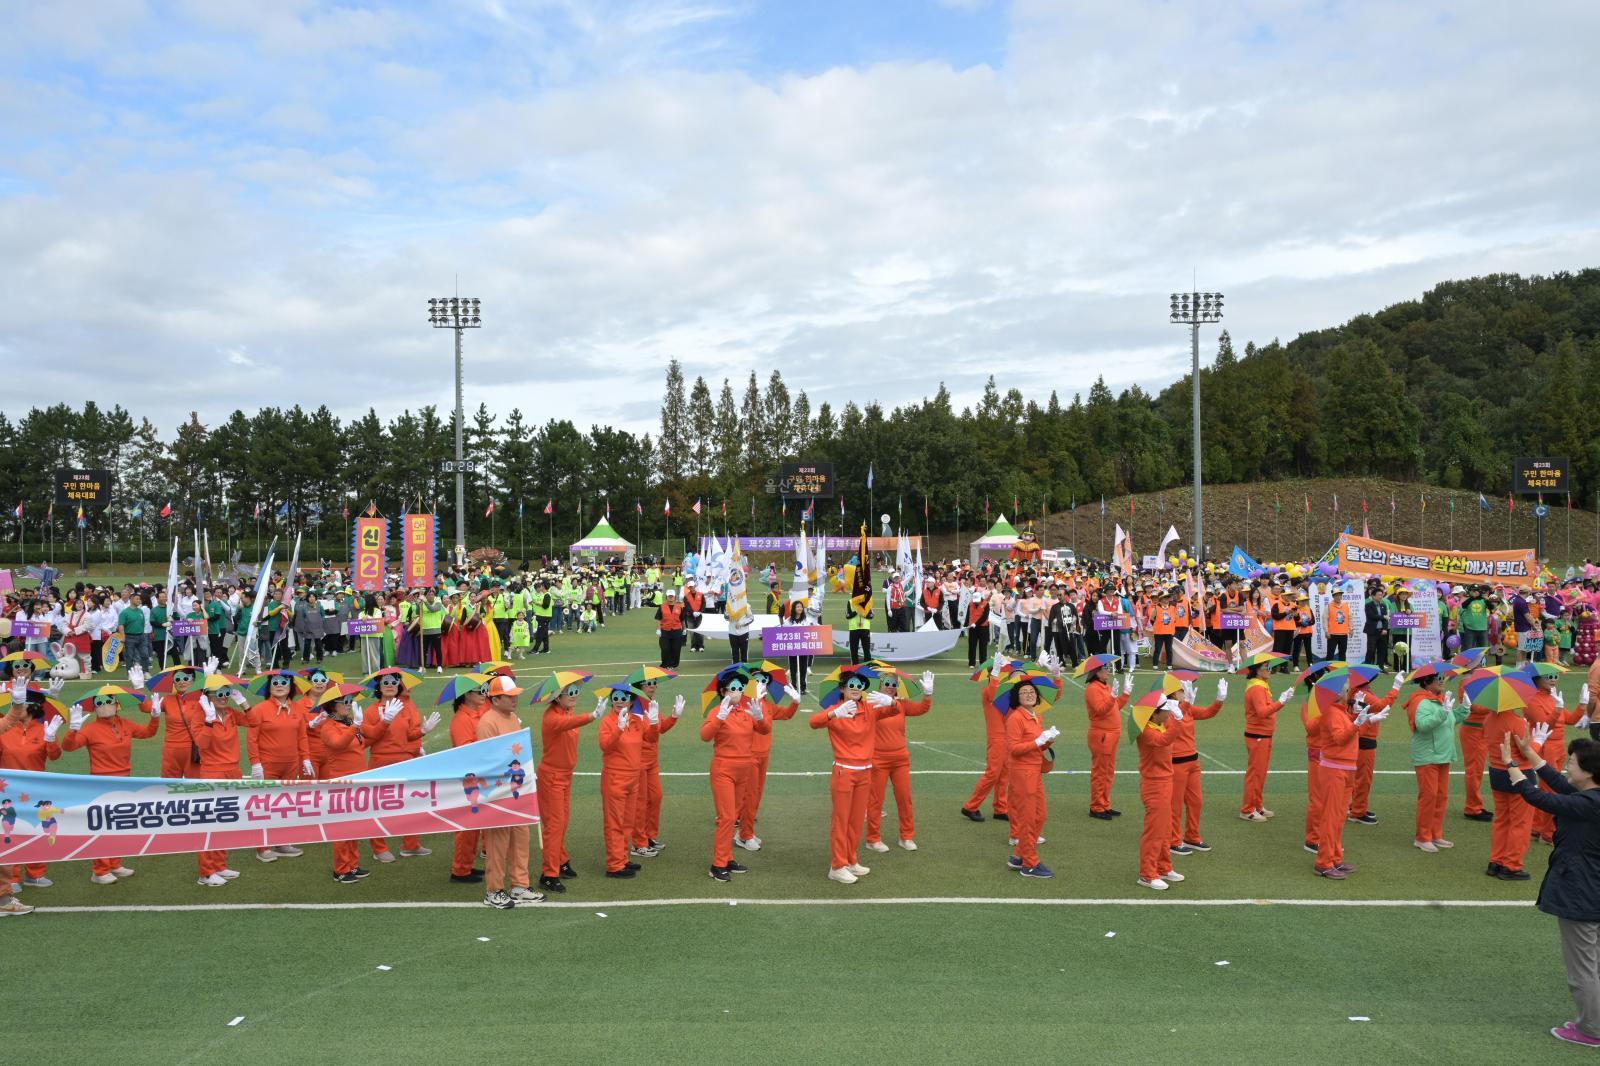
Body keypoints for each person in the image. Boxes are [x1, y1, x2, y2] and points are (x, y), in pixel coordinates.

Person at [1505, 729, 1600, 1047]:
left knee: (1582, 968)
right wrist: (1529, 754)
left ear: (1588, 772)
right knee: (1593, 962)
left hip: (1582, 893)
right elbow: (1560, 786)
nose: (1567, 767)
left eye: (1571, 762)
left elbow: (1539, 797)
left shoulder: (1588, 805)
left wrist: (1510, 764)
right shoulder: (1590, 796)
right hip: (1591, 890)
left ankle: (1591, 1030)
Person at [810, 666, 901, 884]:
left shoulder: (869, 709)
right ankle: (837, 865)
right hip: (844, 771)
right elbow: (813, 722)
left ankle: (850, 859)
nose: (856, 689)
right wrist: (833, 713)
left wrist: (893, 702)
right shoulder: (836, 710)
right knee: (841, 821)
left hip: (864, 772)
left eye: (859, 686)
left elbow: (894, 711)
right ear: (842, 689)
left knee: (856, 820)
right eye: (851, 685)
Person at [61, 686, 159, 884]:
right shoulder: (90, 729)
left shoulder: (125, 724)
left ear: (117, 704)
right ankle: (99, 870)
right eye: (99, 703)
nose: (104, 706)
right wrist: (73, 730)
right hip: (101, 783)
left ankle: (114, 863)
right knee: (103, 827)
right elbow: (68, 747)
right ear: (94, 708)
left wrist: (155, 716)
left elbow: (148, 732)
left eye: (108, 701)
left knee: (117, 825)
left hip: (124, 780)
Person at [476, 675, 543, 908]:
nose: (515, 699)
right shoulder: (487, 722)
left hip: (516, 789)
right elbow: (488, 760)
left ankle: (519, 885)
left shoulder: (512, 717)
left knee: (521, 837)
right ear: (495, 699)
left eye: (515, 695)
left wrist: (526, 772)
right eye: (510, 696)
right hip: (499, 792)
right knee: (498, 843)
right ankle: (494, 890)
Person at [535, 676, 603, 894]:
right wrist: (591, 716)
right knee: (554, 826)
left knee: (561, 823)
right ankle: (549, 874)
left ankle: (560, 860)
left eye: (576, 692)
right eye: (570, 693)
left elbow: (570, 721)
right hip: (552, 777)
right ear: (558, 698)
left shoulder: (566, 712)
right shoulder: (552, 717)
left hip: (565, 776)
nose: (575, 696)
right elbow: (567, 724)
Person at [362, 671, 439, 862]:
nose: (390, 685)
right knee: (378, 806)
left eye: (394, 682)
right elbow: (368, 739)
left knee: (411, 802)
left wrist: (423, 730)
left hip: (404, 760)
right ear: (378, 686)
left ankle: (411, 845)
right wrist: (383, 721)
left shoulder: (404, 707)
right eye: (385, 682)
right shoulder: (372, 710)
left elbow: (409, 735)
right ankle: (379, 849)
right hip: (380, 761)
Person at [701, 668, 768, 881]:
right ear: (723, 691)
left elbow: (764, 731)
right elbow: (705, 736)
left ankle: (727, 858)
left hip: (744, 769)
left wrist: (760, 718)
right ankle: (717, 864)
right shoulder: (716, 712)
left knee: (735, 813)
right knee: (727, 817)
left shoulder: (746, 711)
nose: (737, 693)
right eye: (733, 689)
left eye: (740, 689)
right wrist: (719, 718)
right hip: (724, 769)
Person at [245, 671, 313, 864]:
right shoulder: (260, 709)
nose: (279, 685)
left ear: (290, 687)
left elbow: (302, 736)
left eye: (284, 682)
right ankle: (263, 847)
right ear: (270, 686)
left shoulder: (297, 709)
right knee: (266, 806)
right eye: (275, 682)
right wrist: (255, 763)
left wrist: (306, 758)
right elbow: (252, 739)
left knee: (285, 805)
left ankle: (282, 842)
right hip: (268, 766)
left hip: (291, 765)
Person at [1, 682, 64, 892]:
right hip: (8, 792)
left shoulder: (44, 728)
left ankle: (35, 874)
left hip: (38, 792)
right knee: (10, 834)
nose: (16, 707)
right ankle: (12, 878)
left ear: (33, 706)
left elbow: (55, 757)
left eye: (21, 703)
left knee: (38, 832)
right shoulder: (4, 726)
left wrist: (51, 739)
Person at [864, 669, 935, 853]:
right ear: (880, 685)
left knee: (905, 799)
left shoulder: (901, 704)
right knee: (875, 801)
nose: (890, 687)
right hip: (878, 760)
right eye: (887, 683)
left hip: (900, 759)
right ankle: (872, 839)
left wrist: (927, 694)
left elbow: (922, 709)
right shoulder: (870, 704)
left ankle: (906, 836)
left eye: (893, 685)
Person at [310, 688, 373, 885]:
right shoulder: (329, 726)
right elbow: (338, 744)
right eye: (344, 701)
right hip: (341, 782)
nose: (349, 703)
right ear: (332, 705)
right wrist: (356, 725)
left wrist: (386, 721)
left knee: (354, 826)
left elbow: (366, 740)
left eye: (349, 700)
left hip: (356, 780)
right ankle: (341, 869)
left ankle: (352, 864)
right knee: (343, 827)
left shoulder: (347, 723)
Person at [193, 681, 252, 887]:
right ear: (207, 696)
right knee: (211, 822)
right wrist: (209, 722)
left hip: (233, 771)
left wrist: (243, 703)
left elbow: (253, 722)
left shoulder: (231, 713)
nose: (223, 696)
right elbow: (202, 744)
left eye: (226, 692)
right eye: (218, 693)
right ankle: (206, 872)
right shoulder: (200, 715)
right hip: (213, 771)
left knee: (226, 820)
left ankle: (219, 865)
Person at [1405, 668, 1469, 852]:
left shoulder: (1440, 700)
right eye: (1438, 678)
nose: (1442, 681)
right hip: (1427, 757)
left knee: (1441, 797)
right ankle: (1422, 837)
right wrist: (1443, 712)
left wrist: (1464, 709)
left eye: (1442, 678)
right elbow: (1423, 726)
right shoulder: (1421, 702)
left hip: (1443, 755)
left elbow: (1450, 720)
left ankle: (1435, 834)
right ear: (1426, 681)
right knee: (1429, 797)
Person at [736, 664, 798, 853]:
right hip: (749, 757)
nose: (762, 684)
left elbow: (786, 715)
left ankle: (746, 831)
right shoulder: (743, 705)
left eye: (765, 682)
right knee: (750, 797)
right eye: (758, 681)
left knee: (756, 796)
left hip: (764, 756)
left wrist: (795, 702)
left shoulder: (767, 705)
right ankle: (744, 835)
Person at [1003, 673, 1057, 878]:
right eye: (1024, 692)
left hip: (1034, 769)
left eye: (1031, 692)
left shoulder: (1036, 715)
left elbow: (1037, 744)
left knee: (1039, 815)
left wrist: (1048, 740)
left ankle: (1019, 856)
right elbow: (1014, 748)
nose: (1028, 695)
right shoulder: (1016, 717)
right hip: (1023, 772)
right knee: (1028, 818)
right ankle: (1030, 863)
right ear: (1017, 697)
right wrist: (1037, 742)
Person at [598, 684, 653, 878]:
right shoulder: (607, 722)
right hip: (615, 777)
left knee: (628, 821)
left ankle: (622, 857)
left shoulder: (636, 721)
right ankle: (614, 865)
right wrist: (618, 730)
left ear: (631, 702)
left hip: (633, 777)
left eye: (623, 699)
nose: (619, 702)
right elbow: (605, 746)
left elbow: (651, 738)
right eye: (616, 698)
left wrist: (653, 722)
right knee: (615, 822)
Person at [1135, 695, 1186, 891]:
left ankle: (1163, 867)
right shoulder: (1147, 731)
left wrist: (1178, 714)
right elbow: (1164, 741)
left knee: (1165, 830)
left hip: (1165, 782)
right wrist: (1178, 721)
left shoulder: (1159, 724)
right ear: (1155, 713)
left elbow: (1167, 734)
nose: (1169, 712)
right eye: (1166, 709)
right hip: (1154, 785)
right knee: (1154, 831)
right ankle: (1147, 874)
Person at [1168, 676, 1225, 855]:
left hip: (1193, 761)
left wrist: (1219, 701)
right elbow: (1171, 727)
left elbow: (1208, 713)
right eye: (1182, 690)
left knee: (1196, 801)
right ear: (1173, 692)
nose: (1185, 692)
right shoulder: (1167, 710)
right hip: (1176, 763)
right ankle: (1173, 840)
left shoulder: (1187, 709)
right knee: (1175, 804)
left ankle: (1192, 836)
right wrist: (1185, 705)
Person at [631, 676, 683, 856]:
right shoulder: (634, 709)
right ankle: (639, 843)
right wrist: (653, 724)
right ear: (639, 687)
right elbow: (650, 735)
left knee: (656, 797)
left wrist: (674, 717)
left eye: (654, 683)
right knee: (640, 802)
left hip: (652, 761)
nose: (653, 687)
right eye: (648, 684)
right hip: (638, 762)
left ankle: (649, 836)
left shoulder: (651, 704)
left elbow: (659, 729)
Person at [960, 653, 1015, 823]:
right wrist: (996, 673)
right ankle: (970, 806)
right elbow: (992, 692)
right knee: (992, 774)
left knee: (1004, 774)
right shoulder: (988, 691)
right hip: (997, 739)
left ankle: (1000, 808)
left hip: (1007, 738)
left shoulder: (1007, 693)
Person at [1240, 657, 1294, 822]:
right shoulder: (1257, 688)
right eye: (1265, 666)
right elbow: (1263, 712)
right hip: (1258, 736)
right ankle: (1247, 809)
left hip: (1263, 735)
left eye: (1269, 666)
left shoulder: (1261, 686)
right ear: (1257, 669)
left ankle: (1257, 805)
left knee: (1260, 774)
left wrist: (1280, 702)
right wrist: (1281, 702)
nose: (1269, 669)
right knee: (1255, 774)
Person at [1347, 672, 1403, 825]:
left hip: (1358, 738)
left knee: (1357, 777)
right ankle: (1358, 812)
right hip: (1366, 739)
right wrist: (1396, 687)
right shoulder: (1364, 693)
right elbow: (1383, 705)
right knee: (1364, 778)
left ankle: (1355, 806)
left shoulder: (1354, 691)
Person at [447, 679, 489, 885]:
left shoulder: (478, 715)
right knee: (467, 827)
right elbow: (467, 750)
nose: (484, 693)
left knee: (475, 826)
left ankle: (466, 865)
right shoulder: (461, 720)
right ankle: (460, 869)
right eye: (479, 691)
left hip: (477, 777)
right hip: (468, 780)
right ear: (466, 695)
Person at [1084, 656, 1132, 819]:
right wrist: (1113, 696)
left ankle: (1104, 803)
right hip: (1102, 735)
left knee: (1108, 771)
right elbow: (1100, 710)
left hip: (1111, 734)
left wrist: (1125, 694)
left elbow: (1115, 707)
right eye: (1105, 668)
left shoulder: (1104, 687)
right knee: (1100, 771)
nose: (1108, 671)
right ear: (1097, 672)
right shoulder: (1093, 689)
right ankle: (1097, 807)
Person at [655, 590, 687, 669]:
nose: (670, 597)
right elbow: (658, 618)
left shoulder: (679, 607)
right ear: (666, 597)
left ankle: (673, 664)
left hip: (676, 631)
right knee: (665, 648)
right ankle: (665, 664)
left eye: (672, 596)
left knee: (676, 649)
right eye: (669, 596)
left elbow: (682, 619)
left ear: (675, 597)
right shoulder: (662, 606)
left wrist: (684, 629)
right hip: (665, 631)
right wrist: (658, 629)